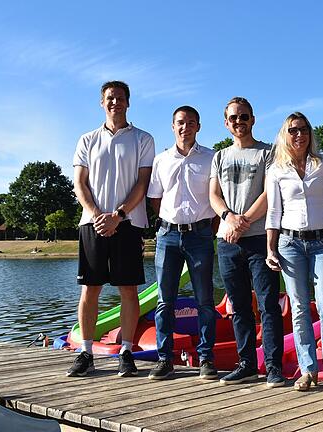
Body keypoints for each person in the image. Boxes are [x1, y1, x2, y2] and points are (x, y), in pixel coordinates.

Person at [68, 80, 154, 377]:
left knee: (128, 290)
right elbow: (80, 183)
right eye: (109, 98)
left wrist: (117, 215)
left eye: (119, 98)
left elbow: (142, 183)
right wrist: (95, 215)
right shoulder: (87, 139)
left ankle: (127, 351)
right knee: (89, 289)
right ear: (101, 103)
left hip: (128, 223)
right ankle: (85, 352)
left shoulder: (143, 139)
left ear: (128, 102)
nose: (114, 102)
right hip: (92, 223)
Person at [264, 112, 323, 392]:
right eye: (293, 131)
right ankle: (309, 370)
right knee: (299, 308)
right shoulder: (276, 170)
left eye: (303, 130)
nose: (299, 135)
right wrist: (270, 247)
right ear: (284, 135)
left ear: (310, 134)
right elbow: (274, 212)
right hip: (290, 244)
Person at [209, 97, 285, 387]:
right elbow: (214, 196)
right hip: (228, 241)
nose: (238, 122)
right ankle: (246, 364)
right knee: (238, 306)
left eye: (244, 117)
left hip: (258, 240)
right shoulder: (220, 156)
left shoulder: (268, 153)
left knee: (268, 304)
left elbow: (270, 193)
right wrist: (229, 217)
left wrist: (243, 222)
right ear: (226, 123)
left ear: (253, 119)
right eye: (233, 118)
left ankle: (274, 366)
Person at [146, 106, 218, 380]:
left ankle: (206, 358)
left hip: (200, 235)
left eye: (190, 123)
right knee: (165, 300)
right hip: (168, 236)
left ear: (198, 126)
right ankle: (165, 359)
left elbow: (216, 197)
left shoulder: (212, 158)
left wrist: (207, 229)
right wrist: (170, 222)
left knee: (205, 301)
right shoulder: (161, 160)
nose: (185, 127)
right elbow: (155, 199)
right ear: (172, 126)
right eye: (180, 123)